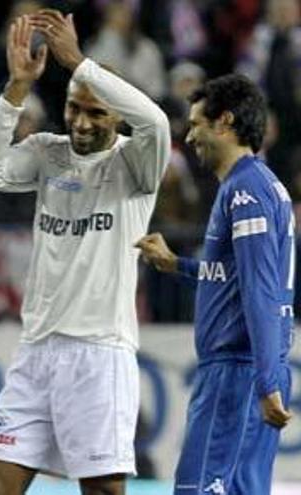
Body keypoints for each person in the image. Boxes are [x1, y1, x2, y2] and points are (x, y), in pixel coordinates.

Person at [0, 10, 170, 495]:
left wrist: (78, 62)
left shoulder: (136, 165)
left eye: (96, 112)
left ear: (118, 117)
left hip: (99, 353)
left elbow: (157, 120)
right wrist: (17, 89)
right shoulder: (47, 152)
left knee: (101, 490)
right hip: (36, 350)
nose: (80, 122)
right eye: (73, 108)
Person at [135, 74, 293, 495]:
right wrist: (177, 265)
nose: (190, 137)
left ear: (224, 122)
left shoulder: (246, 193)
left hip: (237, 372)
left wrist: (265, 382)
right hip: (245, 368)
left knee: (199, 489)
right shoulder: (257, 186)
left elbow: (261, 292)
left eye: (196, 124)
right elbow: (239, 277)